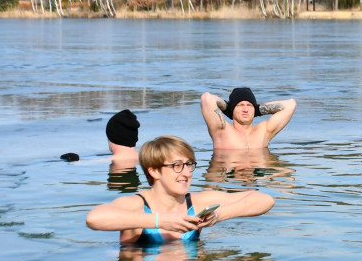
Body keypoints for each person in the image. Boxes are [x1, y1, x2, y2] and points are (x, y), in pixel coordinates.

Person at [86, 135, 274, 245]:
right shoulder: (137, 205)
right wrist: (160, 221)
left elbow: (264, 200)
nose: (186, 173)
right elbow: (94, 218)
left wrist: (219, 215)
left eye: (189, 164)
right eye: (177, 165)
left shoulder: (196, 202)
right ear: (154, 171)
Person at [200, 87, 297, 150]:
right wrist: (228, 109)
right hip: (230, 175)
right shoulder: (222, 131)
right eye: (240, 105)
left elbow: (290, 104)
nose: (245, 109)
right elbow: (207, 98)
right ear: (232, 109)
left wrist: (257, 110)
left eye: (249, 105)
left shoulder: (263, 132)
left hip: (255, 175)